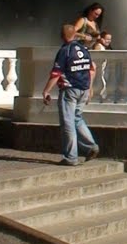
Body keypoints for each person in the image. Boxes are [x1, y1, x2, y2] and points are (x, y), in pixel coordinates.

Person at [42, 23, 99, 166]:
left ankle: (71, 157)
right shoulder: (84, 49)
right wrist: (90, 88)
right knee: (77, 119)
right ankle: (91, 146)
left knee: (68, 122)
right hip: (84, 89)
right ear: (74, 34)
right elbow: (93, 69)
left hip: (70, 90)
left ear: (62, 36)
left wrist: (46, 91)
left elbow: (56, 73)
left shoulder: (65, 51)